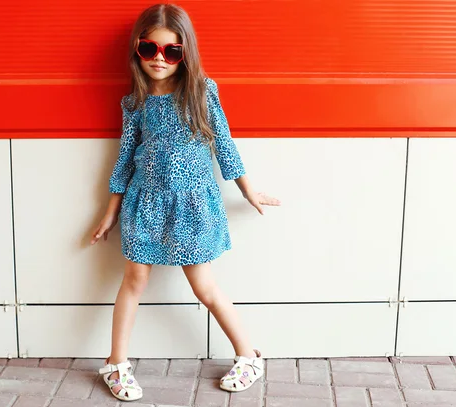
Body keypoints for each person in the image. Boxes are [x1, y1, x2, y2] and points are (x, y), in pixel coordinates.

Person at [90, 3, 280, 402]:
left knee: (205, 287)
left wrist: (247, 190)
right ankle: (116, 364)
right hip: (145, 203)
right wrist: (109, 213)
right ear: (137, 50)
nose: (159, 59)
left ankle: (249, 355)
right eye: (149, 49)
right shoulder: (134, 103)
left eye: (171, 51)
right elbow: (125, 158)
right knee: (134, 280)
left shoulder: (200, 91)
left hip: (192, 205)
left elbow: (223, 142)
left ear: (184, 52)